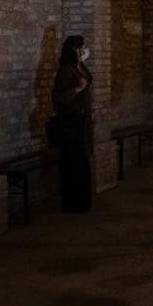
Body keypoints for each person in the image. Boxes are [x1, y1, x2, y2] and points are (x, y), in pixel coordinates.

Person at [50, 34, 95, 213]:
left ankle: (83, 201)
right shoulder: (65, 70)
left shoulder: (79, 67)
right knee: (72, 163)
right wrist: (77, 89)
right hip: (71, 123)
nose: (85, 50)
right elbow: (58, 96)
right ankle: (72, 203)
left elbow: (88, 80)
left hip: (81, 121)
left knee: (82, 162)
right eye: (83, 47)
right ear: (75, 50)